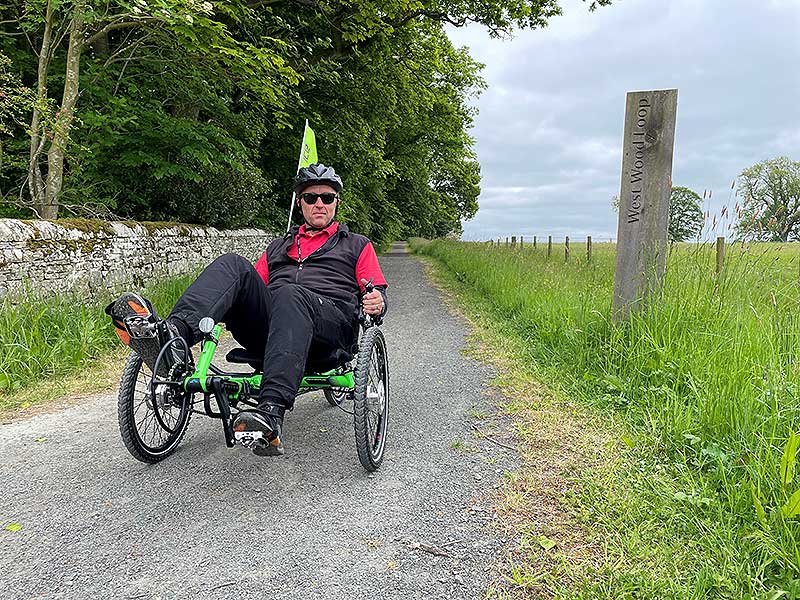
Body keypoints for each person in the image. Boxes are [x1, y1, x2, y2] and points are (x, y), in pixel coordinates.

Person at [106, 163, 387, 457]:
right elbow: (246, 289)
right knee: (234, 265)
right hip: (276, 330)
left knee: (291, 294)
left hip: (328, 330)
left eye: (326, 198)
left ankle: (270, 412)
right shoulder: (278, 247)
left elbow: (377, 293)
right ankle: (173, 337)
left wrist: (377, 300)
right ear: (300, 203)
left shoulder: (356, 245)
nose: (319, 203)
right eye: (310, 197)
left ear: (336, 203)